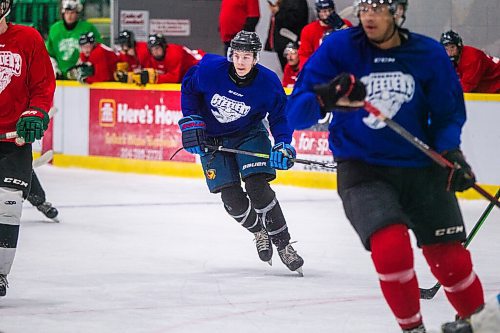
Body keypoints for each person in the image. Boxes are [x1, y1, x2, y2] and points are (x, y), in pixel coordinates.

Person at [286, 0, 486, 332]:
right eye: (364, 8)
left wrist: (451, 151)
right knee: (391, 248)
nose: (369, 16)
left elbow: (448, 114)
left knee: (451, 259)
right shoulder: (338, 48)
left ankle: (479, 324)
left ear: (399, 12)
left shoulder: (429, 54)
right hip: (364, 168)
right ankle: (413, 329)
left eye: (378, 8)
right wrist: (325, 98)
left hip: (423, 168)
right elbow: (295, 114)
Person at [179, 30, 304, 275]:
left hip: (249, 134)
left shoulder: (268, 82)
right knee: (232, 200)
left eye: (246, 57)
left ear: (255, 58)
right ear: (231, 55)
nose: (240, 62)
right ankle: (259, 232)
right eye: (237, 56)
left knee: (258, 188)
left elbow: (280, 116)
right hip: (212, 139)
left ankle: (284, 245)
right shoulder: (210, 69)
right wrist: (192, 121)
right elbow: (189, 87)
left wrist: (282, 143)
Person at [0, 0, 56, 297]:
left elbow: (43, 84)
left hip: (13, 143)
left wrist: (36, 112)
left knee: (8, 208)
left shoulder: (27, 38)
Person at [46, 0, 102, 79]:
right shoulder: (54, 29)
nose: (69, 16)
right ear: (63, 13)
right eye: (67, 13)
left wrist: (85, 64)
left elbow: (99, 49)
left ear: (77, 14)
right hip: (60, 77)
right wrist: (54, 69)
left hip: (82, 76)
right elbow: (49, 54)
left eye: (72, 13)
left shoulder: (88, 28)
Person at [298, 0, 352, 66]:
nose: (328, 14)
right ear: (318, 12)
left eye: (330, 10)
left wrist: (343, 28)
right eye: (324, 11)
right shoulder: (308, 30)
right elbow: (304, 56)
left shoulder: (345, 23)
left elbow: (354, 45)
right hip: (319, 67)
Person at [138, 34, 204, 85]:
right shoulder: (150, 57)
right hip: (188, 75)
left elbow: (174, 78)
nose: (155, 52)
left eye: (157, 48)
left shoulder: (174, 53)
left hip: (202, 65)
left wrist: (155, 78)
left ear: (163, 47)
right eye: (152, 49)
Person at [264, 0, 309, 70]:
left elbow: (295, 21)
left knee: (294, 72)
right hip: (281, 42)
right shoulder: (282, 2)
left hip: (290, 42)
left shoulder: (297, 2)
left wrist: (278, 12)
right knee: (287, 72)